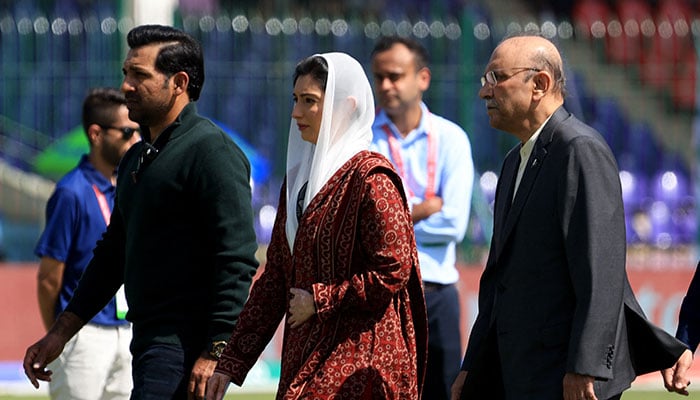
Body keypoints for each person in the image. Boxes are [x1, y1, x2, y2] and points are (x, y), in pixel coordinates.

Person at [450, 34, 693, 400]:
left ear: (540, 84)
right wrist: (473, 366)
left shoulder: (579, 150)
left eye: (497, 78)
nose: (485, 92)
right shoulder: (513, 161)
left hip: (568, 378)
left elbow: (601, 271)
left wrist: (586, 365)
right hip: (521, 373)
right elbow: (497, 278)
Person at [23, 24, 259, 399]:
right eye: (125, 73)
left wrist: (216, 349)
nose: (127, 86)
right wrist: (60, 332)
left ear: (178, 82)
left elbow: (236, 259)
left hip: (184, 347)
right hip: (148, 341)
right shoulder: (138, 157)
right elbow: (112, 254)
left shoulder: (211, 152)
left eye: (140, 75)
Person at [206, 52, 428, 399]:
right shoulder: (299, 182)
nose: (296, 113)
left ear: (346, 105)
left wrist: (321, 300)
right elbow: (278, 274)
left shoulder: (372, 179)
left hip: (359, 364)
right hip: (306, 354)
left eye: (309, 101)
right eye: (296, 100)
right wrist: (231, 362)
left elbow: (393, 269)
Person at [369, 35, 474, 399]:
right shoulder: (363, 139)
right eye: (379, 76)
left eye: (395, 76)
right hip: (381, 296)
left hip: (436, 294)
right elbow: (365, 226)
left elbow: (455, 224)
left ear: (423, 78)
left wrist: (394, 217)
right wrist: (425, 207)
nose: (385, 85)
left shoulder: (452, 139)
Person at [34, 87, 140, 400]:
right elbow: (49, 277)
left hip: (127, 330)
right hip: (83, 335)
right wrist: (59, 333)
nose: (136, 140)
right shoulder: (71, 192)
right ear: (96, 134)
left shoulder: (129, 186)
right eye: (127, 132)